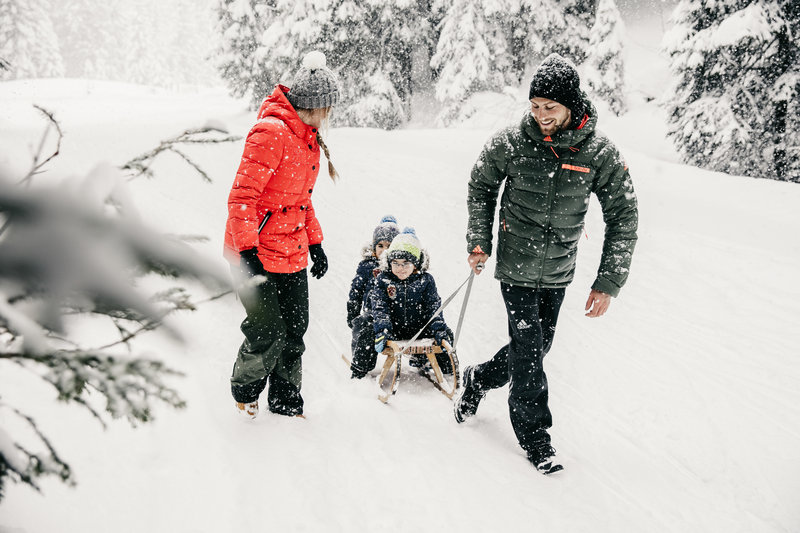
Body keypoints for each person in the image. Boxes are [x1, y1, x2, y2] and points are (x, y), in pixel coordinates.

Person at [456, 53, 639, 474]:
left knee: (535, 349)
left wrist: (608, 281)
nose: (541, 116)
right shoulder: (511, 143)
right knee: (529, 354)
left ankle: (478, 379)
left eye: (550, 108)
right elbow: (480, 185)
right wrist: (479, 241)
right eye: (535, 106)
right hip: (516, 268)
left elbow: (624, 214)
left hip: (558, 271)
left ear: (572, 106)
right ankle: (537, 438)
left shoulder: (598, 153)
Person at [223, 50, 340, 419]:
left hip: (291, 250)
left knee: (294, 330)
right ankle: (246, 391)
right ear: (315, 105)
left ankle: (286, 398)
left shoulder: (308, 139)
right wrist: (245, 250)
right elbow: (242, 197)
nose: (330, 115)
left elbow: (301, 201)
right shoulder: (271, 133)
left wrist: (316, 243)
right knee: (266, 330)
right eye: (328, 108)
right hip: (253, 251)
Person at [361, 228, 454, 377]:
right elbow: (380, 307)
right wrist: (383, 329)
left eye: (406, 263)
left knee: (445, 333)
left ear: (416, 264)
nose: (400, 268)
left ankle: (448, 372)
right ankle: (361, 369)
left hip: (418, 330)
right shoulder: (384, 280)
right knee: (366, 330)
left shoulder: (426, 280)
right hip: (392, 329)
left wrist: (437, 328)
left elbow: (433, 307)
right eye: (395, 263)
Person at [347, 215, 400, 379]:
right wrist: (353, 310)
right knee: (365, 329)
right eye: (380, 245)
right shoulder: (367, 266)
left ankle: (422, 360)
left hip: (395, 315)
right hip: (372, 313)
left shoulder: (400, 267)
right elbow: (356, 289)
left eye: (389, 246)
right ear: (374, 246)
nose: (384, 250)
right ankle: (361, 365)